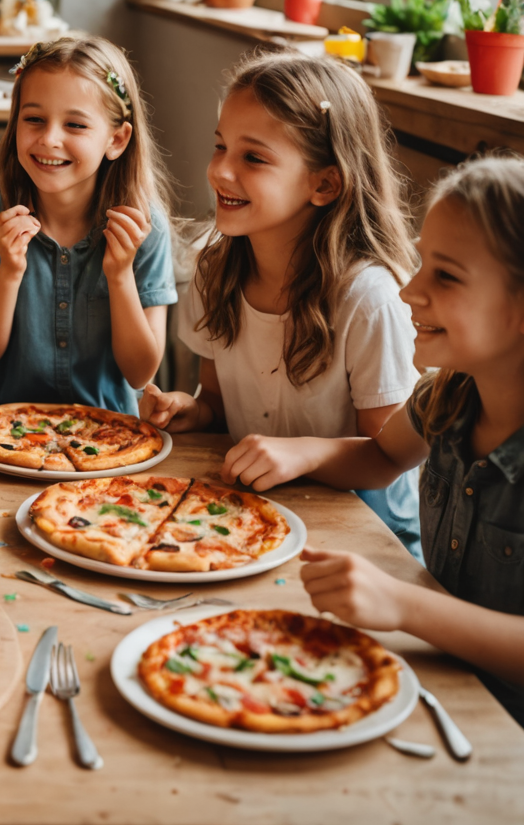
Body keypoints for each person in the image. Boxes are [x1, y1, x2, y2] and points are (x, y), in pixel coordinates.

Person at [220, 157, 524, 726]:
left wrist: (404, 605)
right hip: (429, 679)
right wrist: (303, 451)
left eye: (446, 275)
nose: (410, 289)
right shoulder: (447, 397)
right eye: (422, 263)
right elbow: (383, 455)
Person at [141, 50, 422, 553]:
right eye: (220, 146)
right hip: (254, 516)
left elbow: (388, 458)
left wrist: (306, 455)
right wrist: (193, 412)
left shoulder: (368, 299)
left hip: (365, 536)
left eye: (253, 157)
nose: (221, 172)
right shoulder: (213, 269)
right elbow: (218, 407)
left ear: (324, 184)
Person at [0, 34, 175, 411]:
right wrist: (10, 270)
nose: (49, 139)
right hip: (5, 432)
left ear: (117, 139)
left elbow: (140, 373)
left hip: (109, 437)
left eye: (75, 125)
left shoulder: (145, 229)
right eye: (34, 119)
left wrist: (120, 274)